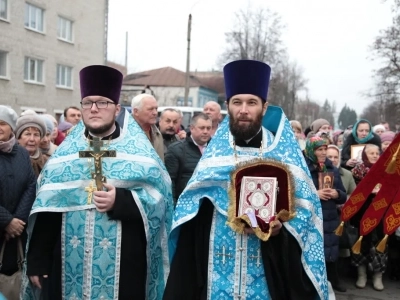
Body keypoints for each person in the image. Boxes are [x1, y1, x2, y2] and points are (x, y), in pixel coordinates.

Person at [163, 60, 328, 299]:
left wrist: (282, 225)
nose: (244, 110)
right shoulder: (215, 155)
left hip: (268, 269)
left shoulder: (285, 154)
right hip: (215, 268)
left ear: (264, 107)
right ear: (227, 106)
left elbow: (307, 214)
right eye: (237, 102)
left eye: (252, 103)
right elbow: (192, 210)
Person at [21, 65, 173, 300]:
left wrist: (121, 200)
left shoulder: (141, 155)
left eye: (102, 102)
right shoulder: (64, 157)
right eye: (87, 102)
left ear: (117, 109)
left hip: (125, 269)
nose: (94, 108)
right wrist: (37, 261)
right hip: (67, 265)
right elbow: (46, 208)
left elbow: (160, 204)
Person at [304, 137, 347, 293]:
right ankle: (312, 282)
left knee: (330, 248)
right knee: (314, 249)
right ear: (311, 150)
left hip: (330, 216)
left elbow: (343, 195)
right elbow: (297, 194)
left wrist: (336, 193)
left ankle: (333, 280)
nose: (323, 153)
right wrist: (316, 194)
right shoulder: (303, 168)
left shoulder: (332, 169)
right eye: (319, 149)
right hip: (311, 216)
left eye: (324, 149)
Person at [0, 106, 36, 287]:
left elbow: (30, 185)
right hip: (5, 226)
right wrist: (6, 221)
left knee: (10, 282)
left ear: (11, 128)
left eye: (2, 124)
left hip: (15, 235)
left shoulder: (21, 153)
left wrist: (17, 221)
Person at [349, 144, 384, 291]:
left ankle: (378, 276)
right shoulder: (357, 172)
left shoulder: (386, 171)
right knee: (361, 243)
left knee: (380, 246)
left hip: (380, 212)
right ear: (364, 155)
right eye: (371, 153)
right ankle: (361, 275)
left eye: (377, 153)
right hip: (362, 214)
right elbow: (354, 193)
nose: (375, 155)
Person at [165, 113, 212, 204]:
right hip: (184, 205)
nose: (206, 131)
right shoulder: (176, 149)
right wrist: (174, 206)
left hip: (208, 206)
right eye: (202, 128)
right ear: (192, 128)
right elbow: (170, 182)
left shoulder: (216, 149)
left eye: (208, 128)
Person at [131, 93, 164, 161]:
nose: (155, 113)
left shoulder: (157, 134)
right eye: (150, 109)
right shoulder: (120, 131)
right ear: (136, 111)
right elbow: (107, 156)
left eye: (156, 109)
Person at [15, 114, 48, 178]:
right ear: (18, 138)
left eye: (36, 135)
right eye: (27, 134)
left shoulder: (46, 162)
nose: (32, 139)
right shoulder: (10, 160)